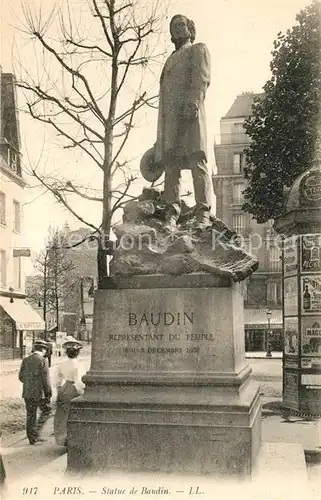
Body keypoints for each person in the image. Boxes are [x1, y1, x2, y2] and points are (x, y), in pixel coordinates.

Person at [153, 14, 212, 230]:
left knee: (197, 161)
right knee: (172, 165)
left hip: (190, 115)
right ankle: (171, 211)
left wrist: (193, 105)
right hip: (170, 120)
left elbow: (202, 79)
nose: (177, 30)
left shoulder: (197, 49)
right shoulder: (170, 59)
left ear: (190, 29)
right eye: (173, 27)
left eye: (181, 25)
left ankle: (203, 211)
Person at [52, 336, 85, 446]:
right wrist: (82, 392)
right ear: (78, 352)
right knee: (74, 414)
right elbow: (79, 382)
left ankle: (62, 438)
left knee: (62, 414)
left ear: (66, 352)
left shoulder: (61, 364)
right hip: (74, 389)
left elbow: (56, 379)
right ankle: (72, 439)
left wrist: (59, 388)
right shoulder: (78, 365)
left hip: (64, 388)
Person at [18, 340, 52, 445]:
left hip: (27, 392)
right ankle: (36, 432)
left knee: (30, 414)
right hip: (39, 393)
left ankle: (31, 437)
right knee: (47, 411)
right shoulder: (43, 360)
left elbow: (21, 377)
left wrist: (29, 382)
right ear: (43, 349)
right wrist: (48, 393)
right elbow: (45, 379)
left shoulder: (26, 359)